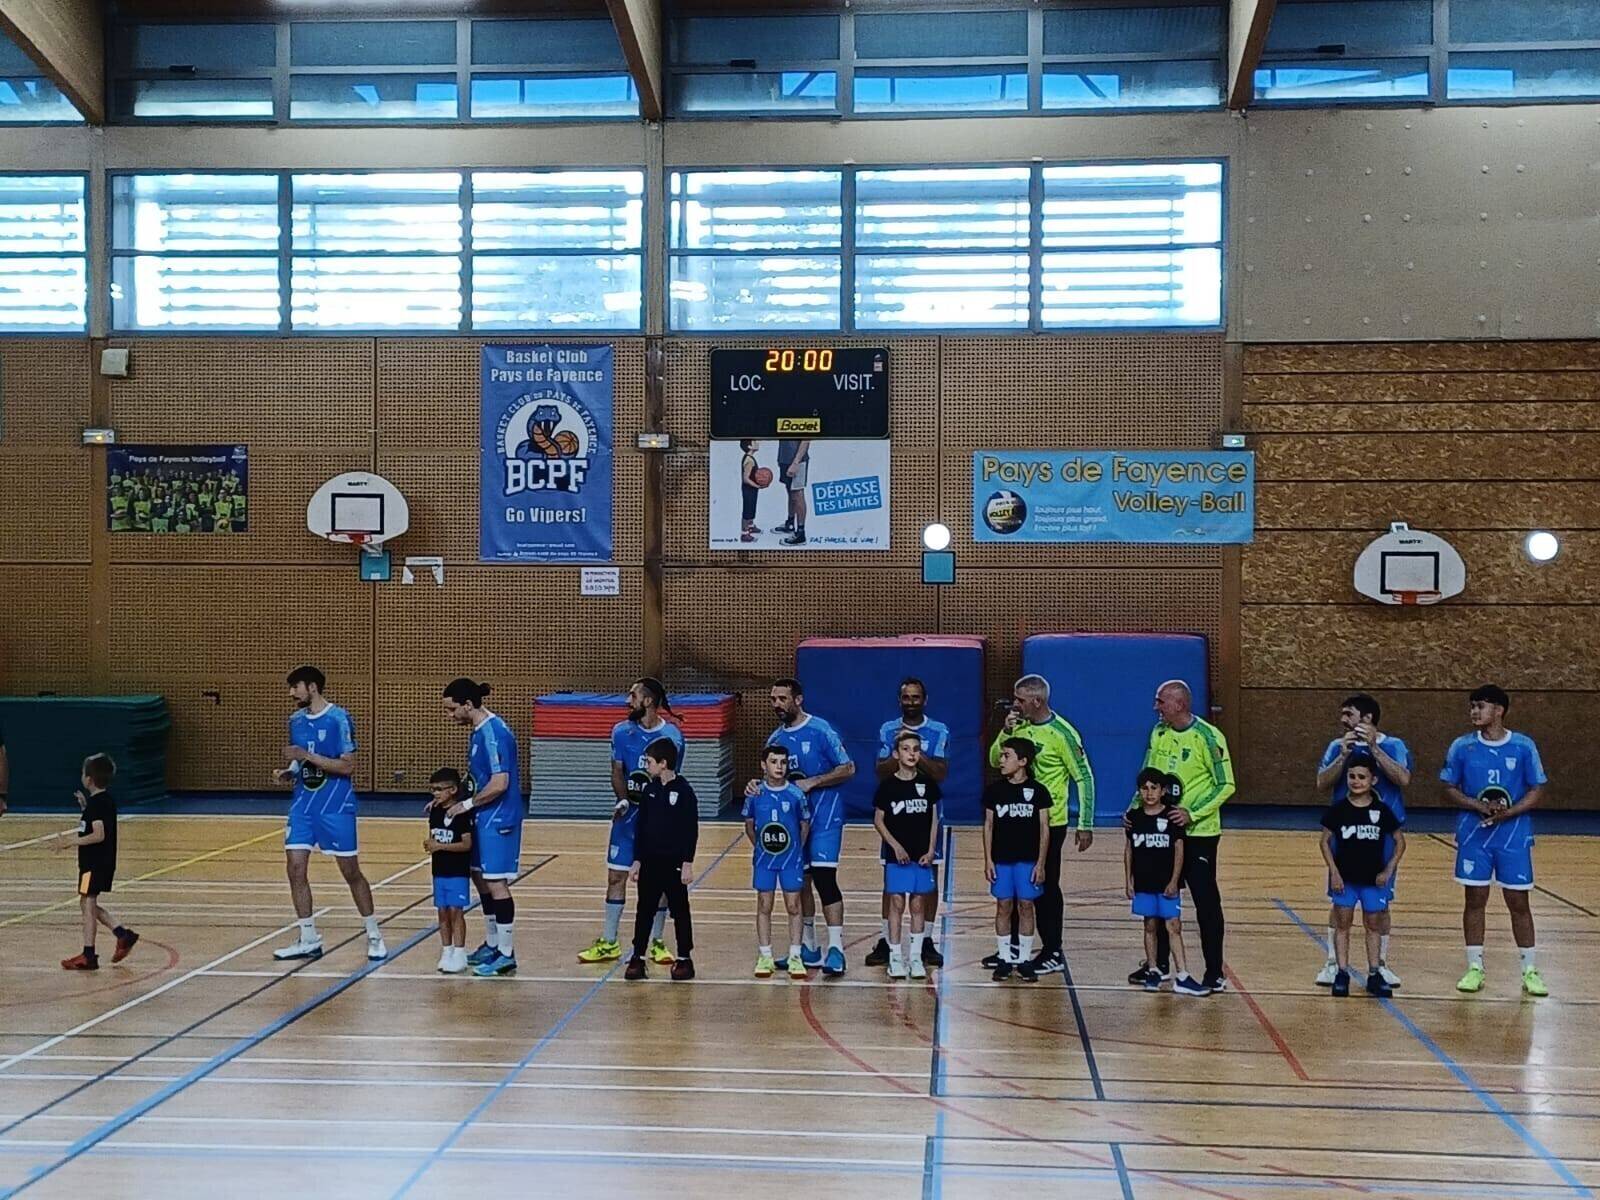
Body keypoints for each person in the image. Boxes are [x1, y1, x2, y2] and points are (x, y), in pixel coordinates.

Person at [1125, 680, 1235, 993]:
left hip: (1199, 834)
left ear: (1179, 704)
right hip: (1160, 832)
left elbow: (1226, 785)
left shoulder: (1208, 737)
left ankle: (1214, 971)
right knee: (1159, 898)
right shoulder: (1158, 733)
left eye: (1160, 702)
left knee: (1205, 900)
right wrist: (1133, 810)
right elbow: (1149, 776)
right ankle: (1157, 966)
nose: (1155, 707)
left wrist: (1192, 813)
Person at [1442, 684, 1549, 997]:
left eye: (1481, 706)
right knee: (1474, 899)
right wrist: (1478, 806)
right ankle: (1474, 967)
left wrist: (1510, 812)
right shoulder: (1462, 747)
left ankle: (1530, 970)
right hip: (1475, 836)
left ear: (1499, 710)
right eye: (1472, 706)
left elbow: (1537, 788)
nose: (1475, 711)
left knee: (1519, 902)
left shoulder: (1523, 746)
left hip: (1513, 836)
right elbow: (1447, 787)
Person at [271, 666, 384, 963]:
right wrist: (290, 771)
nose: (291, 693)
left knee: (350, 872)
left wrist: (304, 756)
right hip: (302, 807)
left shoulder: (339, 719)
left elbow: (347, 766)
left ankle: (373, 934)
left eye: (295, 687)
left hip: (335, 807)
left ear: (312, 687)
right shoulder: (295, 720)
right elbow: (302, 761)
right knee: (295, 868)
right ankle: (308, 937)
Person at [985, 674, 1094, 975]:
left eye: (1020, 700)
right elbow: (996, 759)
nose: (1015, 705)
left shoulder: (1062, 733)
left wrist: (1085, 823)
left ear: (1037, 700)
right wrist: (1004, 733)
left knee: (1043, 886)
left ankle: (1052, 950)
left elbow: (1083, 777)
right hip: (1014, 819)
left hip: (1050, 821)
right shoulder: (1017, 726)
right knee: (1016, 888)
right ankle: (1012, 950)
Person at [747, 678, 855, 975]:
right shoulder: (775, 741)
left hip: (826, 818)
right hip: (794, 824)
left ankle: (836, 949)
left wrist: (813, 781)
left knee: (824, 878)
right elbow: (769, 778)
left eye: (782, 698)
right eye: (773, 699)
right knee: (801, 881)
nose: (776, 705)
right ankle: (807, 947)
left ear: (799, 699)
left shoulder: (820, 730)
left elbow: (848, 768)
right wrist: (755, 786)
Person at [578, 678, 684, 967]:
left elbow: (670, 781)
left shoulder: (672, 737)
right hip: (627, 820)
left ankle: (657, 943)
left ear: (648, 701)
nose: (628, 701)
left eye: (633, 696)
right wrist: (622, 799)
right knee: (615, 877)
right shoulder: (621, 732)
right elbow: (617, 771)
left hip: (657, 822)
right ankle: (609, 941)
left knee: (659, 882)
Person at [1315, 693, 1411, 987]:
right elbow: (1321, 783)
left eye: (1349, 714)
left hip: (1380, 837)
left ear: (1367, 718)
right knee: (1340, 900)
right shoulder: (1336, 745)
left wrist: (1374, 750)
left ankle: (1379, 965)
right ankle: (1334, 963)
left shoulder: (1394, 745)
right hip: (1345, 835)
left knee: (1380, 904)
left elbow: (1403, 779)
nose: (1343, 719)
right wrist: (1343, 757)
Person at [443, 678, 525, 978]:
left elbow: (499, 783)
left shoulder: (494, 733)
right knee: (480, 879)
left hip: (498, 818)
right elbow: (476, 777)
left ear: (468, 704)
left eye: (452, 710)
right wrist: (448, 799)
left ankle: (506, 953)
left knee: (495, 883)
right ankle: (492, 944)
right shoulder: (477, 733)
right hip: (482, 817)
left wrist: (465, 806)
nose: (449, 716)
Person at [868, 677, 950, 969]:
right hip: (896, 813)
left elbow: (940, 772)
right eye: (906, 697)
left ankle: (926, 940)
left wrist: (915, 752)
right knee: (891, 883)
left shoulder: (938, 730)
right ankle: (885, 941)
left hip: (926, 811)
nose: (911, 702)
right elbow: (880, 770)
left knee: (927, 880)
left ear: (924, 700)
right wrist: (898, 748)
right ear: (899, 699)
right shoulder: (888, 729)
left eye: (916, 697)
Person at [1319, 755, 1406, 998]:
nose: (1356, 782)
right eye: (1352, 777)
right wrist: (1334, 872)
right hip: (1345, 881)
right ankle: (1342, 972)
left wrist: (1388, 870)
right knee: (1343, 924)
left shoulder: (1381, 810)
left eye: (1361, 777)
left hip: (1373, 881)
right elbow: (1324, 841)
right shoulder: (1338, 810)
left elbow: (1400, 842)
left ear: (1373, 780)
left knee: (1373, 925)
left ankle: (1375, 973)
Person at [1125, 769, 1207, 996]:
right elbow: (1129, 849)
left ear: (1163, 791)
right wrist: (1128, 881)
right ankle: (1152, 970)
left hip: (1166, 884)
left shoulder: (1172, 817)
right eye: (1145, 788)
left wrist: (1174, 880)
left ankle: (1182, 975)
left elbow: (1180, 849)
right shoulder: (1134, 818)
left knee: (1173, 926)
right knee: (1149, 925)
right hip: (1143, 882)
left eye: (1154, 788)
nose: (1149, 793)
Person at [54, 754, 139, 970]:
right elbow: (97, 826)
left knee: (87, 904)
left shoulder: (98, 805)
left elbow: (98, 834)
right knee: (86, 903)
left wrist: (70, 842)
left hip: (93, 864)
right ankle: (122, 934)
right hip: (99, 863)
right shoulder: (102, 802)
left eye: (83, 774)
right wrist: (85, 808)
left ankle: (89, 954)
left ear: (89, 779)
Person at [624, 737, 699, 982]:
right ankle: (638, 957)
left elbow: (691, 829)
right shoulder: (650, 790)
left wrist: (687, 862)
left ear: (663, 763)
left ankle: (685, 958)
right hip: (651, 862)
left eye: (649, 761)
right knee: (644, 909)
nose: (646, 765)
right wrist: (637, 860)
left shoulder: (685, 792)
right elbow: (642, 827)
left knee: (680, 910)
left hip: (675, 862)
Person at [872, 731, 941, 981]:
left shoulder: (928, 784)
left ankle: (915, 956)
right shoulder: (888, 786)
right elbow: (878, 820)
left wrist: (932, 849)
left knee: (919, 904)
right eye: (906, 749)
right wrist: (895, 846)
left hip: (921, 855)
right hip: (897, 856)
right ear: (896, 754)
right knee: (897, 903)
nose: (912, 753)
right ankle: (895, 956)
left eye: (916, 749)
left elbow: (934, 819)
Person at [981, 738, 1050, 983]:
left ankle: (1023, 959)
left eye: (1006, 756)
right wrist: (988, 859)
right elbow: (989, 826)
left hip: (1028, 861)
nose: (1001, 760)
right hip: (1002, 860)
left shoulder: (1039, 792)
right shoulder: (994, 791)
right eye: (1001, 755)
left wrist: (1041, 863)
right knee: (1004, 905)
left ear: (1022, 761)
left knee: (1026, 906)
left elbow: (1044, 829)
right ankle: (1004, 958)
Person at [745, 744, 811, 980]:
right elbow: (749, 826)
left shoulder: (795, 795)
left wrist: (795, 850)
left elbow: (804, 825)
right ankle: (765, 955)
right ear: (764, 765)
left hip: (791, 860)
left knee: (794, 905)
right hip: (764, 861)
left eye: (783, 762)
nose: (779, 767)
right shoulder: (755, 794)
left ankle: (795, 955)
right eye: (774, 762)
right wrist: (762, 848)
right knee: (764, 904)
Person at [424, 768, 474, 975]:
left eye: (439, 789)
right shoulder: (435, 811)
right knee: (442, 911)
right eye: (432, 790)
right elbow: (433, 837)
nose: (435, 793)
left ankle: (460, 953)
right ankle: (447, 950)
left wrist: (440, 847)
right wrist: (430, 844)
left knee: (456, 911)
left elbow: (466, 844)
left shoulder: (461, 815)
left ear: (453, 789)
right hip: (439, 871)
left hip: (457, 871)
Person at [774, 438, 811, 546]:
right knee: (790, 493)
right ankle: (790, 523)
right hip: (784, 460)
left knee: (798, 494)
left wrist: (796, 462)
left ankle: (800, 534)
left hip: (798, 462)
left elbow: (806, 440)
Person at [739, 440, 763, 542]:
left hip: (751, 488)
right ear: (749, 446)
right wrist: (757, 486)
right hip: (749, 488)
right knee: (747, 511)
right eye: (754, 442)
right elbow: (745, 479)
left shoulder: (750, 458)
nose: (757, 442)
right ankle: (744, 534)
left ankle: (751, 526)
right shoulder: (749, 460)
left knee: (752, 508)